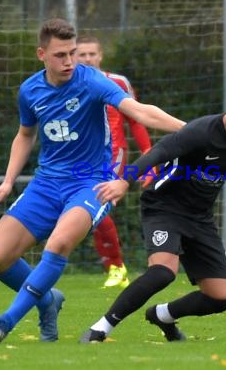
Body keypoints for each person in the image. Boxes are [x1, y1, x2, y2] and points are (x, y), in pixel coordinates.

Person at [0, 18, 185, 344]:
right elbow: (24, 135)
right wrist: (8, 182)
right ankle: (47, 301)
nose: (69, 62)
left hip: (91, 183)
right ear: (41, 54)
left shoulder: (91, 81)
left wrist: (193, 130)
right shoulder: (30, 90)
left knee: (58, 243)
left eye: (72, 53)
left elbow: (141, 112)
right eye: (60, 55)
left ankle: (7, 321)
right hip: (45, 183)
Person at [79, 79, 226, 343]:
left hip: (200, 218)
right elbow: (158, 152)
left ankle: (162, 315)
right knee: (163, 272)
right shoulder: (200, 132)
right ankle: (100, 328)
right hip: (164, 207)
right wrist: (124, 181)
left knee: (221, 297)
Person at [75, 35, 154, 289]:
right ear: (74, 57)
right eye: (82, 54)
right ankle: (114, 266)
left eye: (91, 54)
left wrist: (148, 155)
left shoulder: (118, 82)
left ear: (100, 56)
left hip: (113, 155)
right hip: (82, 156)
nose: (87, 59)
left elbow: (136, 119)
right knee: (88, 210)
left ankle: (116, 267)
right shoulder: (69, 84)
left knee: (98, 203)